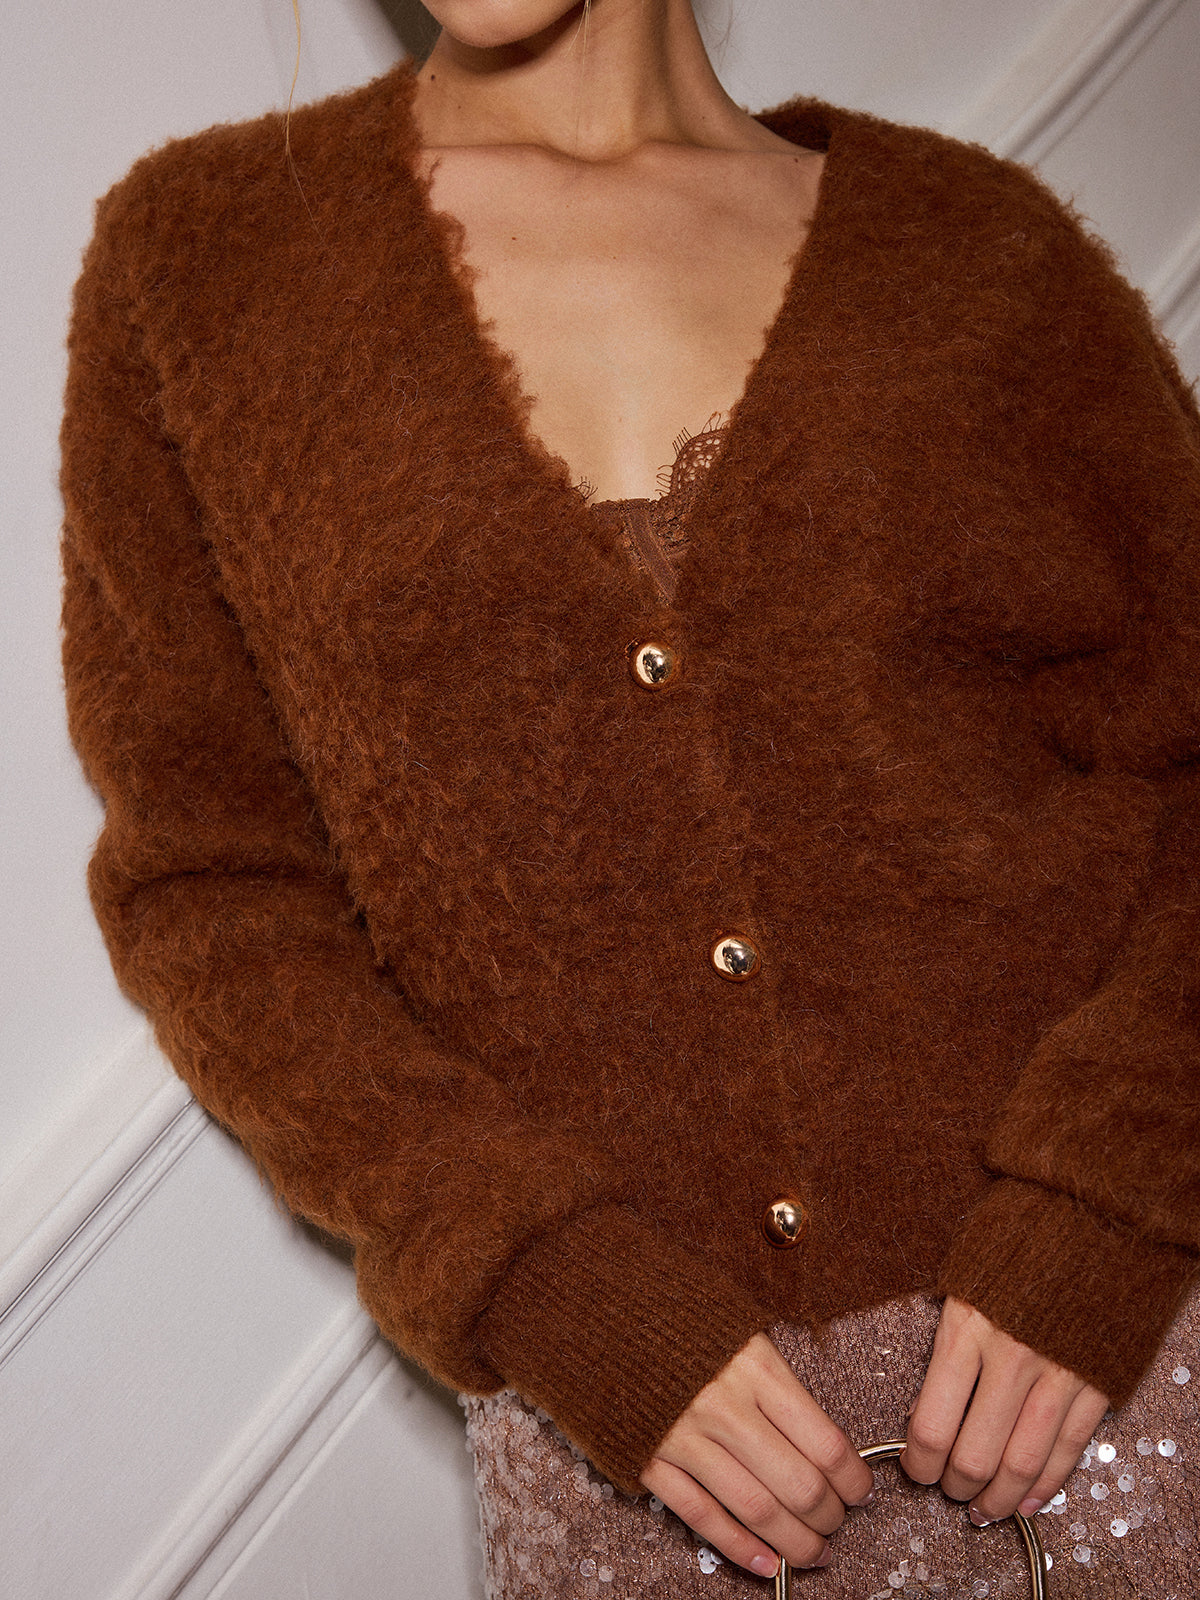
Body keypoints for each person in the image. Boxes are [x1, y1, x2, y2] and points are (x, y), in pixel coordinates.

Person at [60, 0, 1200, 1594]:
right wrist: (542, 1276)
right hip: (634, 1461)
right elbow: (208, 884)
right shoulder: (199, 269)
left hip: (1102, 1396)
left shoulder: (984, 254)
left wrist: (1108, 1203)